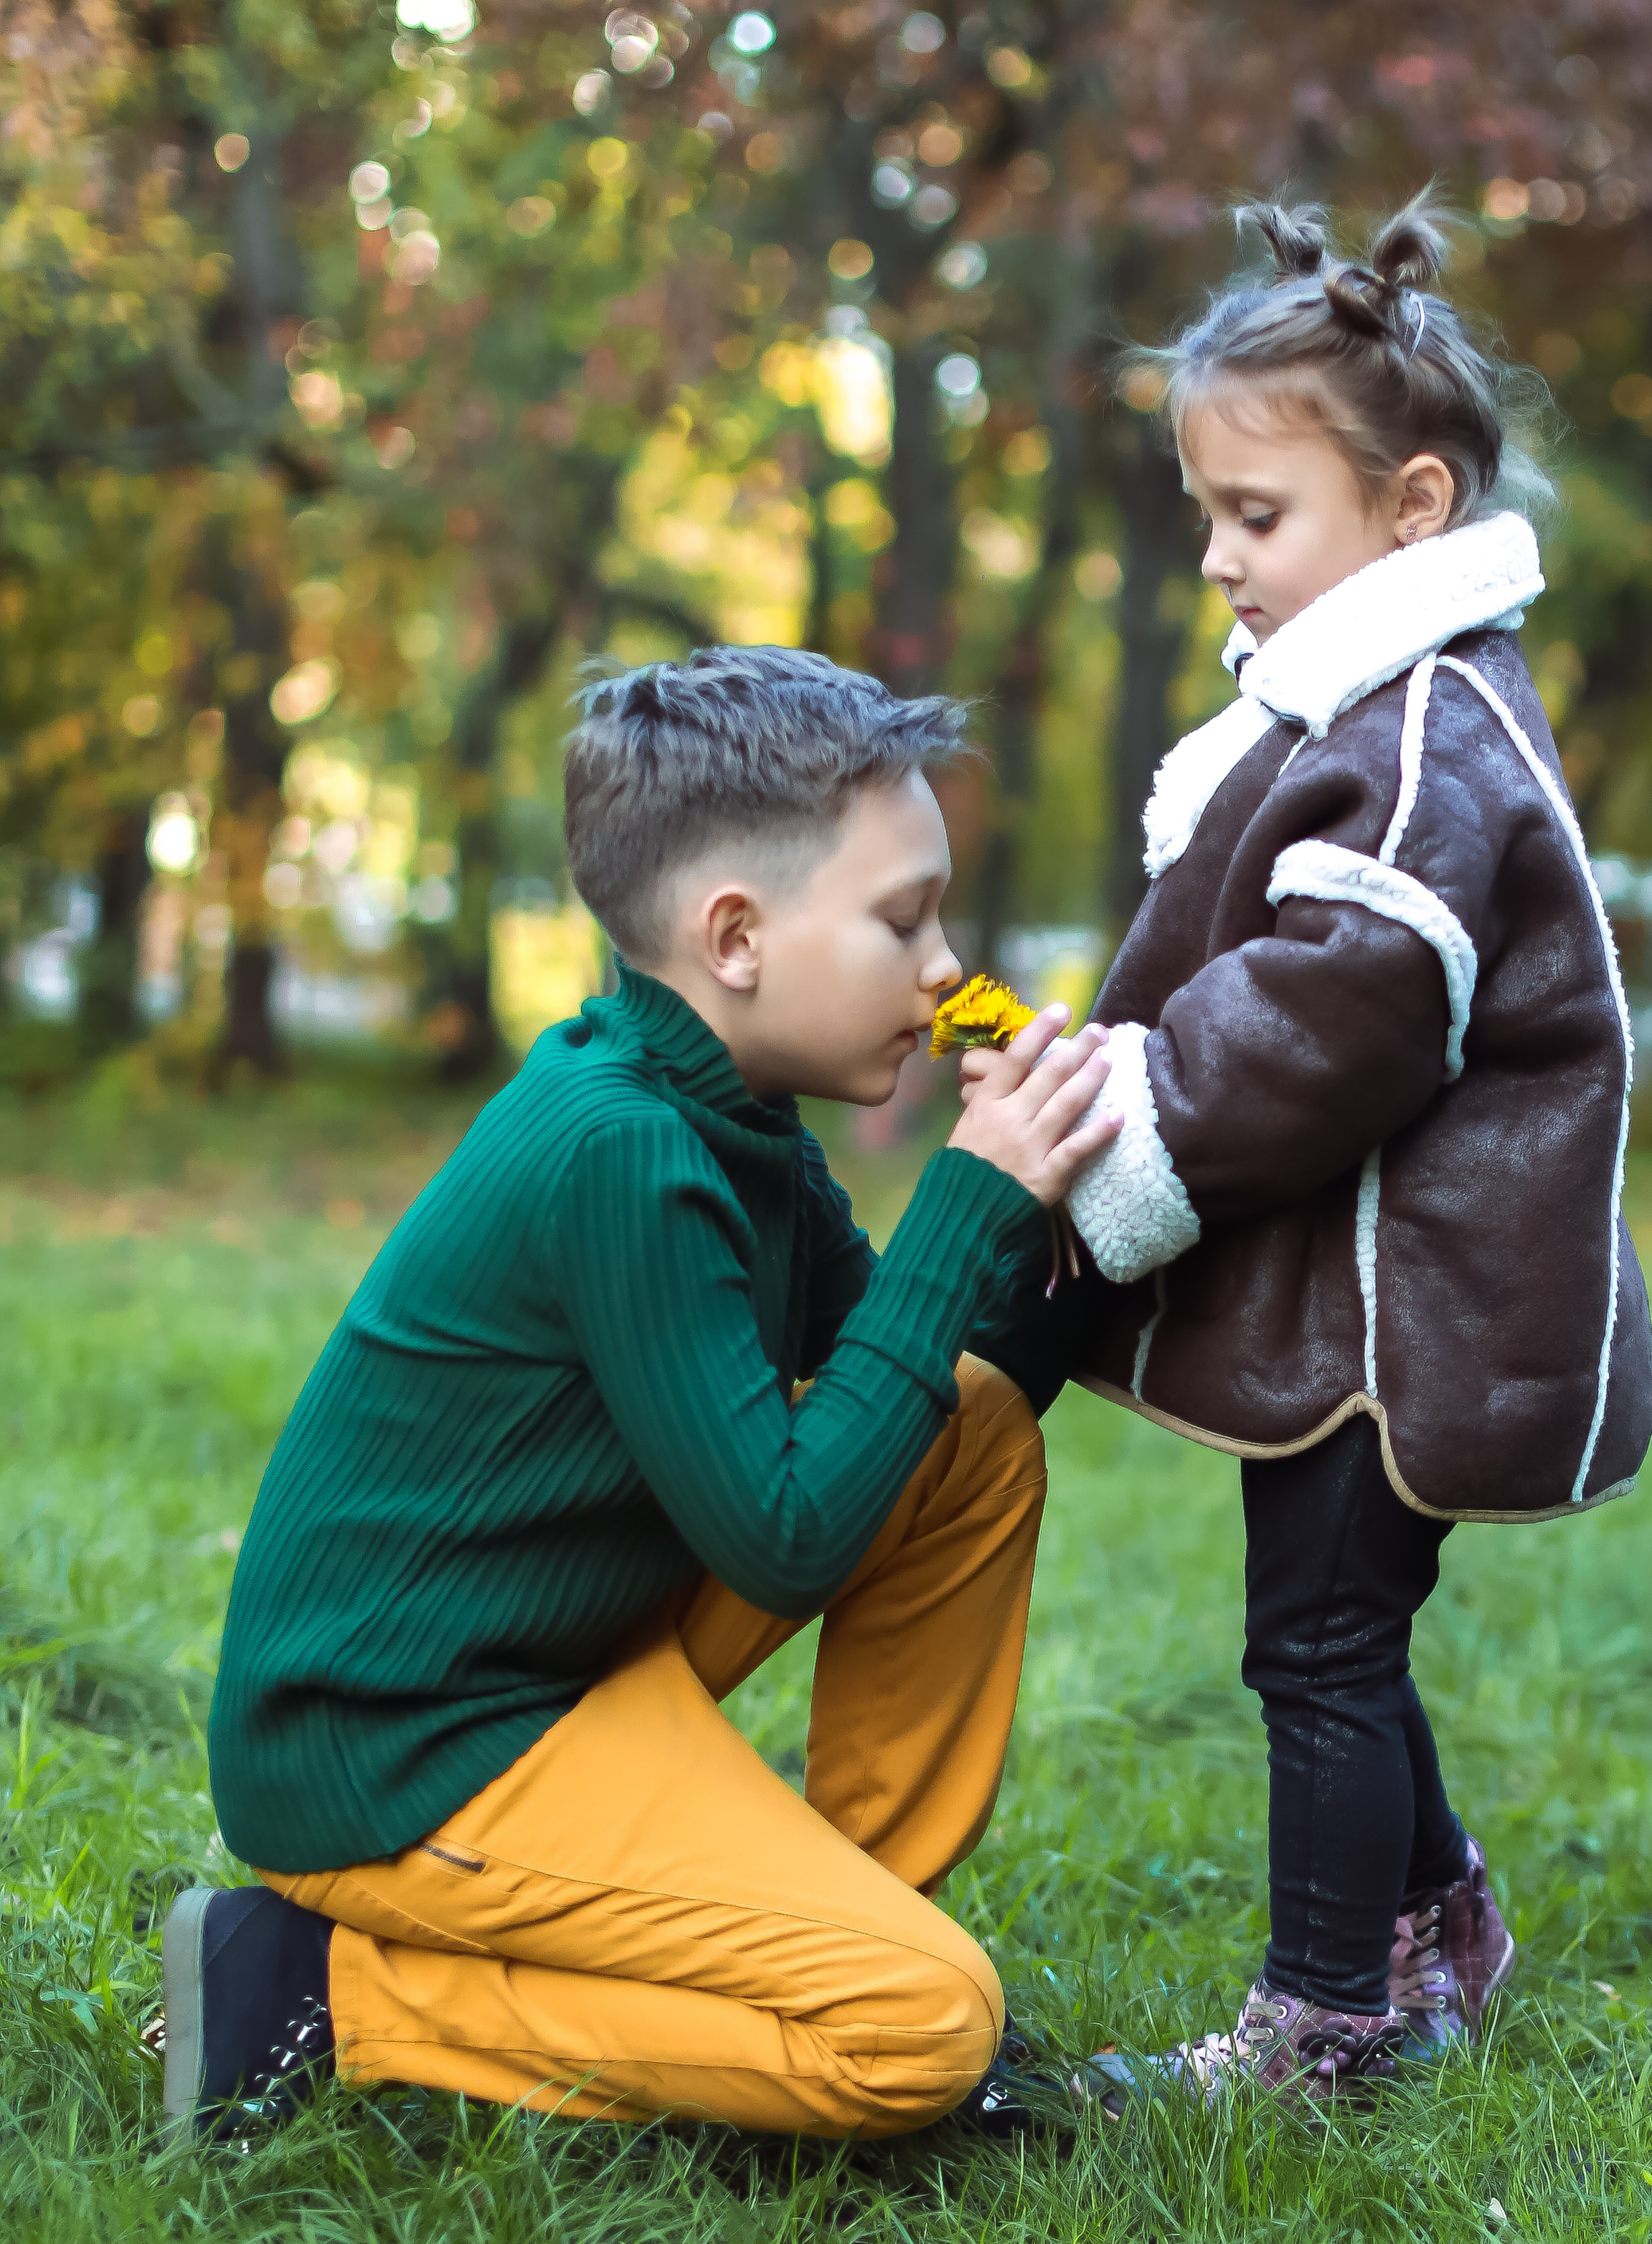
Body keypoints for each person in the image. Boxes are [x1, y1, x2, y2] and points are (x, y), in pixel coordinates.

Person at [162, 648, 1123, 2143]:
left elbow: (889, 1405)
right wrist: (959, 1201)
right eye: (901, 920)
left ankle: (832, 1922)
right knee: (918, 2031)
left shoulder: (736, 1117)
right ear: (734, 937)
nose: (946, 970)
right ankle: (322, 1989)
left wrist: (1072, 1199)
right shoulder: (620, 1147)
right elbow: (791, 1537)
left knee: (971, 1424)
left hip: (558, 1647)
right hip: (398, 1745)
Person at [964, 197, 1652, 2107]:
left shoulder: (1432, 722)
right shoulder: (1371, 711)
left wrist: (1130, 1144)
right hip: (1373, 1285)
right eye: (1207, 515)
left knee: (1325, 1647)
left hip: (1412, 1301)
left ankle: (1328, 2027)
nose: (1218, 559)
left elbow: (1343, 1005)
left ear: (1412, 507)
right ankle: (1440, 1928)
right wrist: (1109, 1057)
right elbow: (1246, 962)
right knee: (1342, 1624)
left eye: (1256, 518)